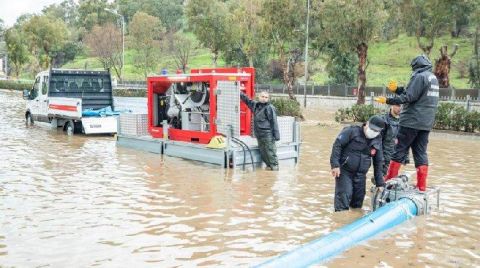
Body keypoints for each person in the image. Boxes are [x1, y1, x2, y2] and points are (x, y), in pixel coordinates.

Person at [375, 55, 439, 191]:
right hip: (425, 123)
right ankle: (422, 186)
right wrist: (397, 89)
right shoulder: (432, 78)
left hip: (411, 121)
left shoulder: (419, 76)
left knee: (399, 150)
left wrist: (388, 100)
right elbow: (415, 93)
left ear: (416, 67)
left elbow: (409, 96)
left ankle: (389, 181)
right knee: (420, 153)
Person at [330, 115, 386, 212]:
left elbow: (378, 161)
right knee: (344, 196)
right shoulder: (351, 131)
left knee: (357, 204)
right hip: (345, 171)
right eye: (372, 129)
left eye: (377, 131)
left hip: (361, 175)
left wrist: (379, 182)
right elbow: (337, 145)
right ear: (367, 124)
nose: (374, 132)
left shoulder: (377, 139)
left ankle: (353, 220)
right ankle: (340, 221)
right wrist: (335, 165)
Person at [240, 90, 281, 170]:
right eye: (262, 96)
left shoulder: (270, 108)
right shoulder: (255, 105)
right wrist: (239, 92)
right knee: (263, 154)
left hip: (267, 136)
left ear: (268, 99)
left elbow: (274, 122)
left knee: (271, 154)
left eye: (266, 97)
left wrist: (276, 136)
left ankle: (275, 170)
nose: (264, 98)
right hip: (259, 135)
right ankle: (268, 172)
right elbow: (247, 100)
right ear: (258, 97)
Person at [380, 104, 408, 176]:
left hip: (397, 159)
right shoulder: (384, 120)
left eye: (401, 106)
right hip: (385, 159)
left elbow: (406, 141)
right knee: (381, 182)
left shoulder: (404, 121)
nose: (400, 108)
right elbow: (377, 142)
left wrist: (406, 157)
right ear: (391, 105)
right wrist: (380, 159)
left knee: (394, 182)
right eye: (398, 105)